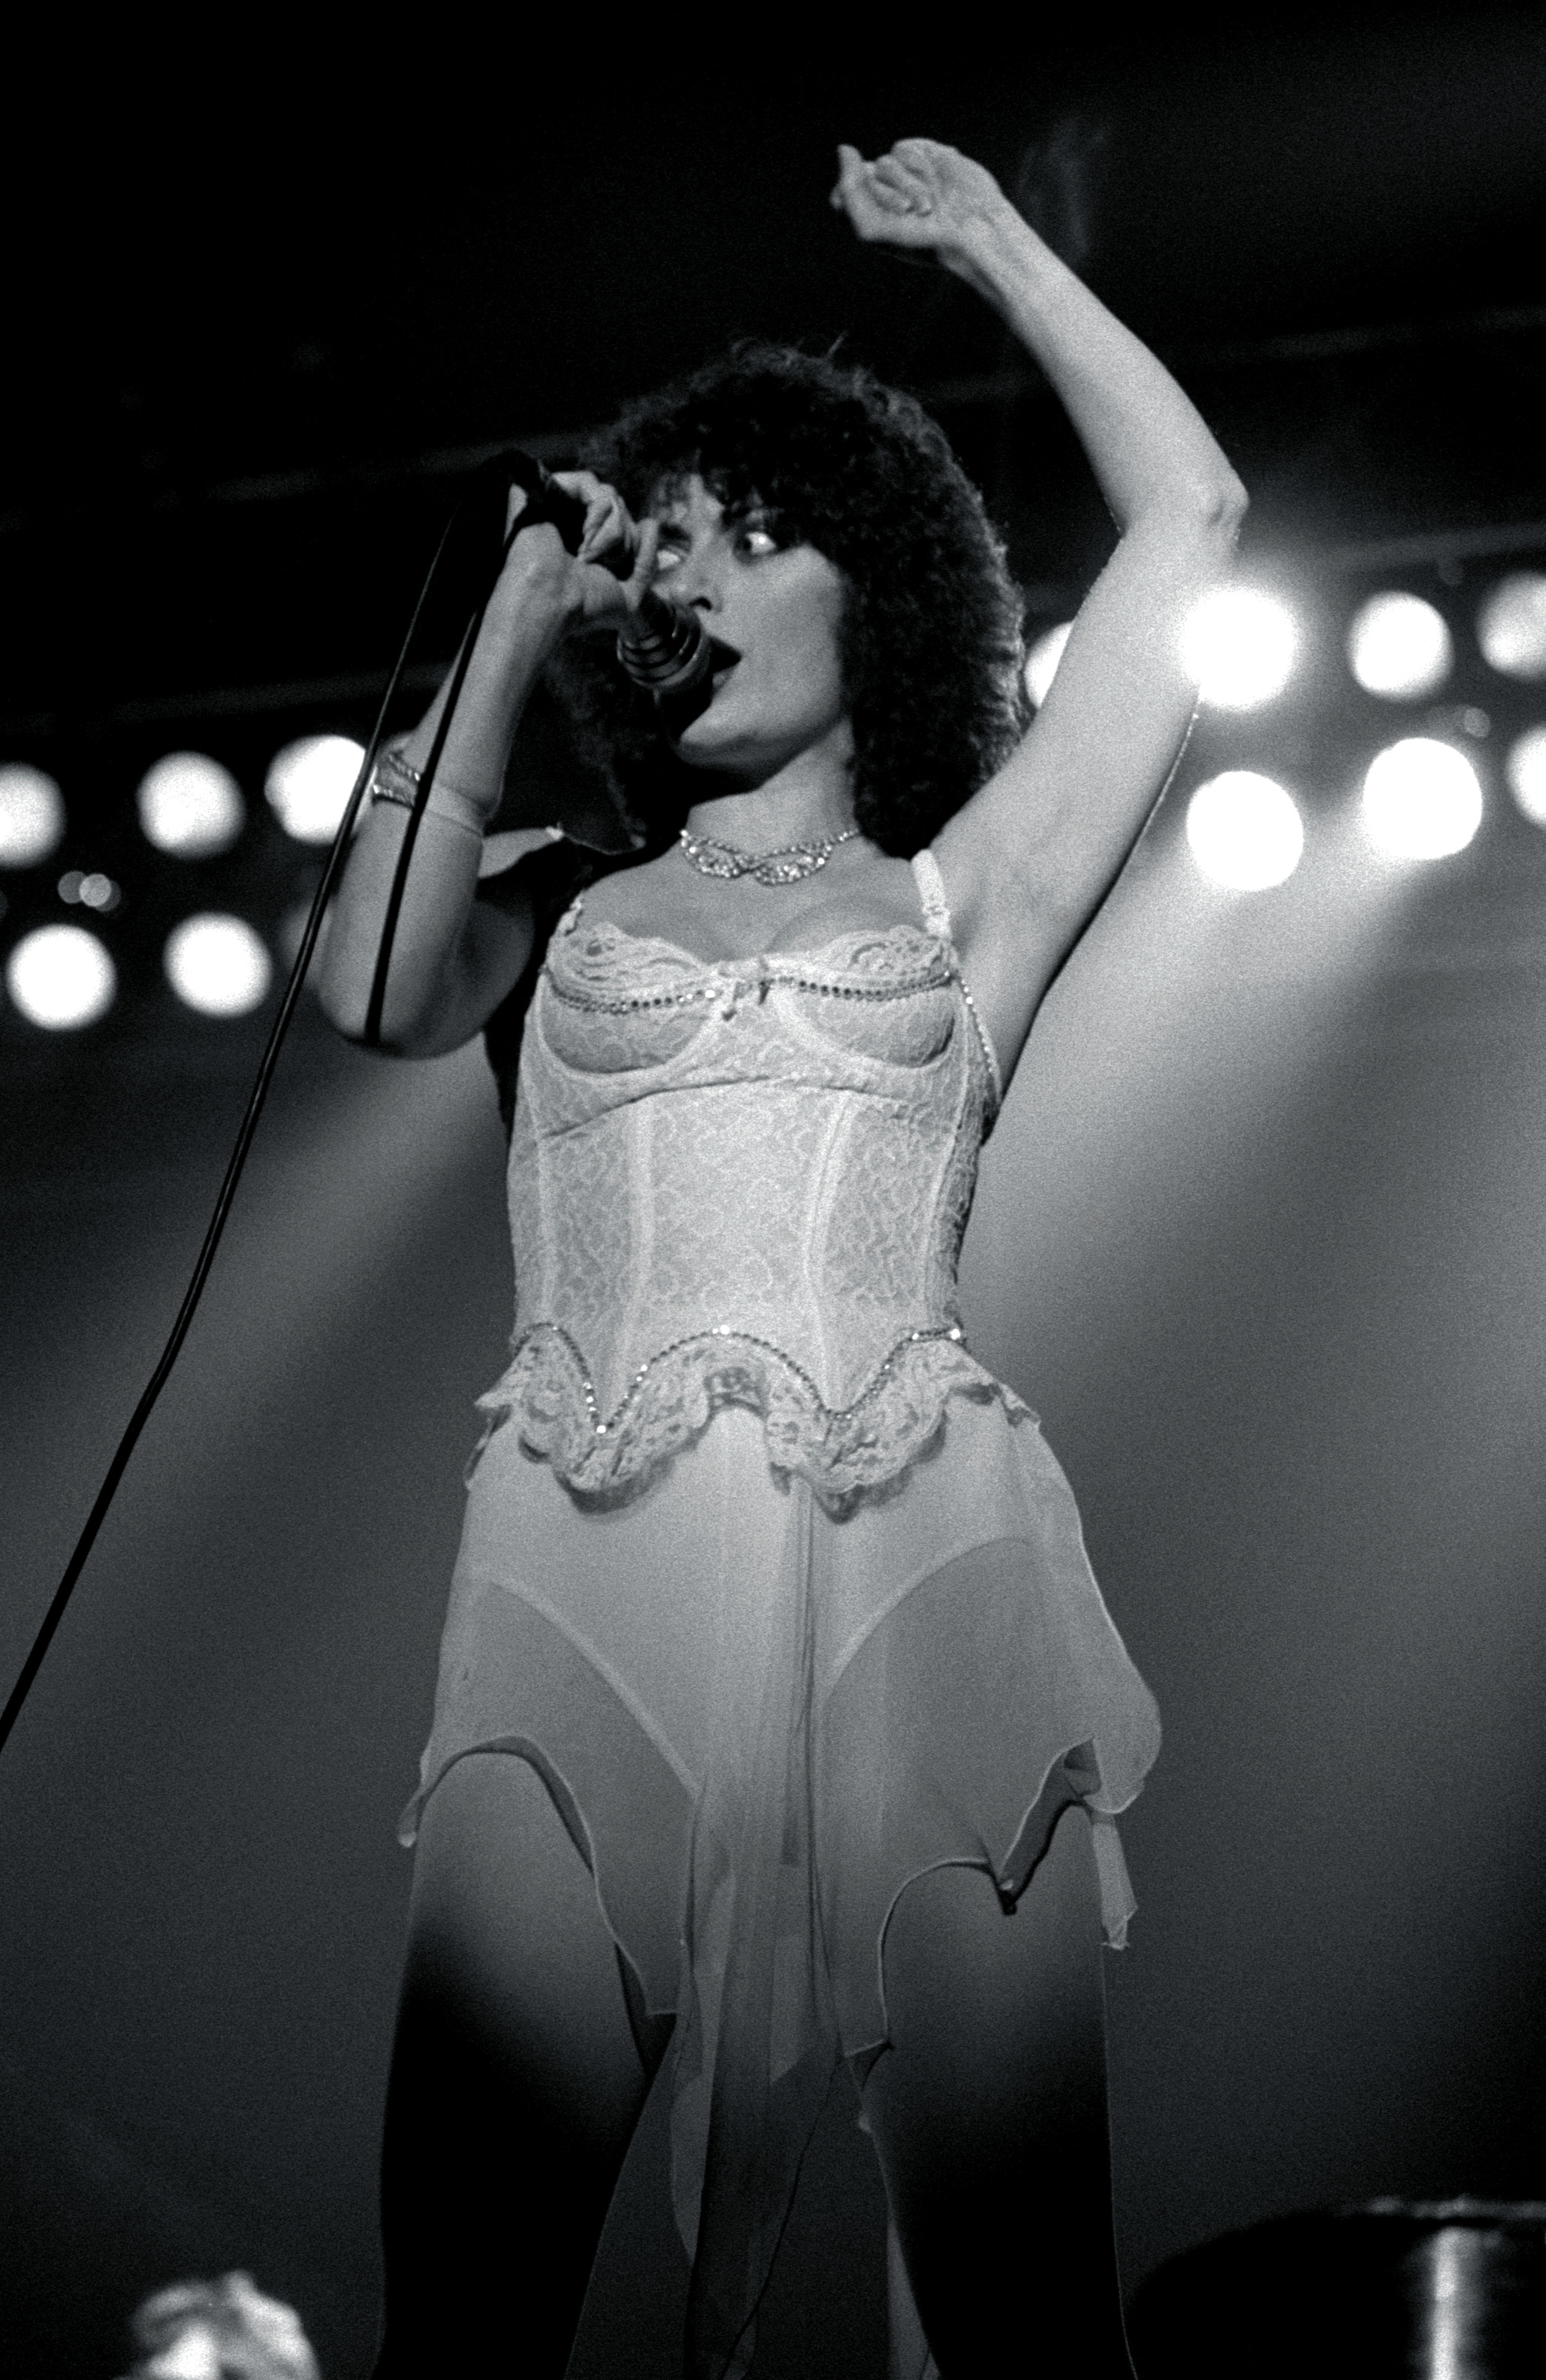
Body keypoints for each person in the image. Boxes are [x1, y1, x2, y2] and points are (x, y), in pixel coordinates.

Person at [319, 137, 1246, 2380]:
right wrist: (515, 621)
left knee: (1029, 2324)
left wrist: (997, 249)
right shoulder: (546, 902)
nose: (695, 578)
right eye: (671, 544)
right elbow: (362, 982)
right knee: (469, 2311)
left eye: (758, 533)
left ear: (882, 591)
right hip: (586, 1561)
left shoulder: (974, 894)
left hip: (914, 1567)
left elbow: (1193, 524)